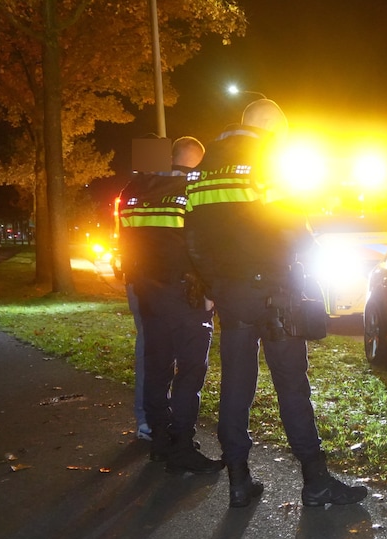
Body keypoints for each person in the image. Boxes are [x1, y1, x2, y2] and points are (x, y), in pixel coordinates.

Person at [185, 98, 367, 508]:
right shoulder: (271, 161)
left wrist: (213, 282)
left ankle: (238, 480)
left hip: (231, 293)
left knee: (235, 384)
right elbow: (292, 227)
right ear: (272, 129)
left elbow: (192, 235)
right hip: (275, 293)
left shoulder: (202, 169)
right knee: (291, 384)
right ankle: (316, 481)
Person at [117, 136, 221, 475]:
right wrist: (211, 289)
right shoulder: (193, 188)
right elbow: (203, 243)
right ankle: (183, 447)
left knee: (157, 366)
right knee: (190, 370)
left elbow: (127, 241)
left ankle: (159, 442)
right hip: (186, 293)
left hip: (147, 291)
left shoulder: (134, 189)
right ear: (196, 159)